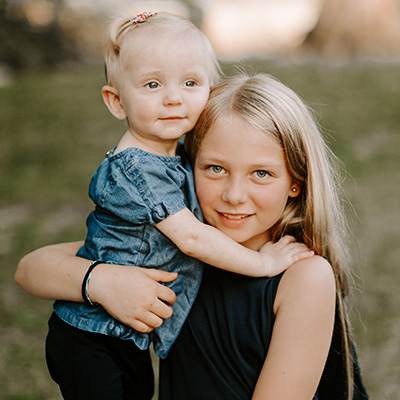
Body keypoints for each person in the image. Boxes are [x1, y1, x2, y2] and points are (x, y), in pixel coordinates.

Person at [15, 74, 369, 399]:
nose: (234, 195)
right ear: (185, 169)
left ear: (296, 182)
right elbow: (30, 269)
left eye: (261, 173)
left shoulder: (303, 274)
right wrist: (104, 281)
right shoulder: (174, 247)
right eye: (215, 168)